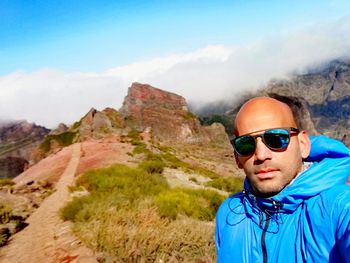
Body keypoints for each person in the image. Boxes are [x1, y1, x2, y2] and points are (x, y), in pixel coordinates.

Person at [215, 97, 350, 262]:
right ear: (237, 158)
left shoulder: (339, 206)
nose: (261, 155)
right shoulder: (229, 212)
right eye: (246, 145)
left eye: (276, 139)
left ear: (303, 144)